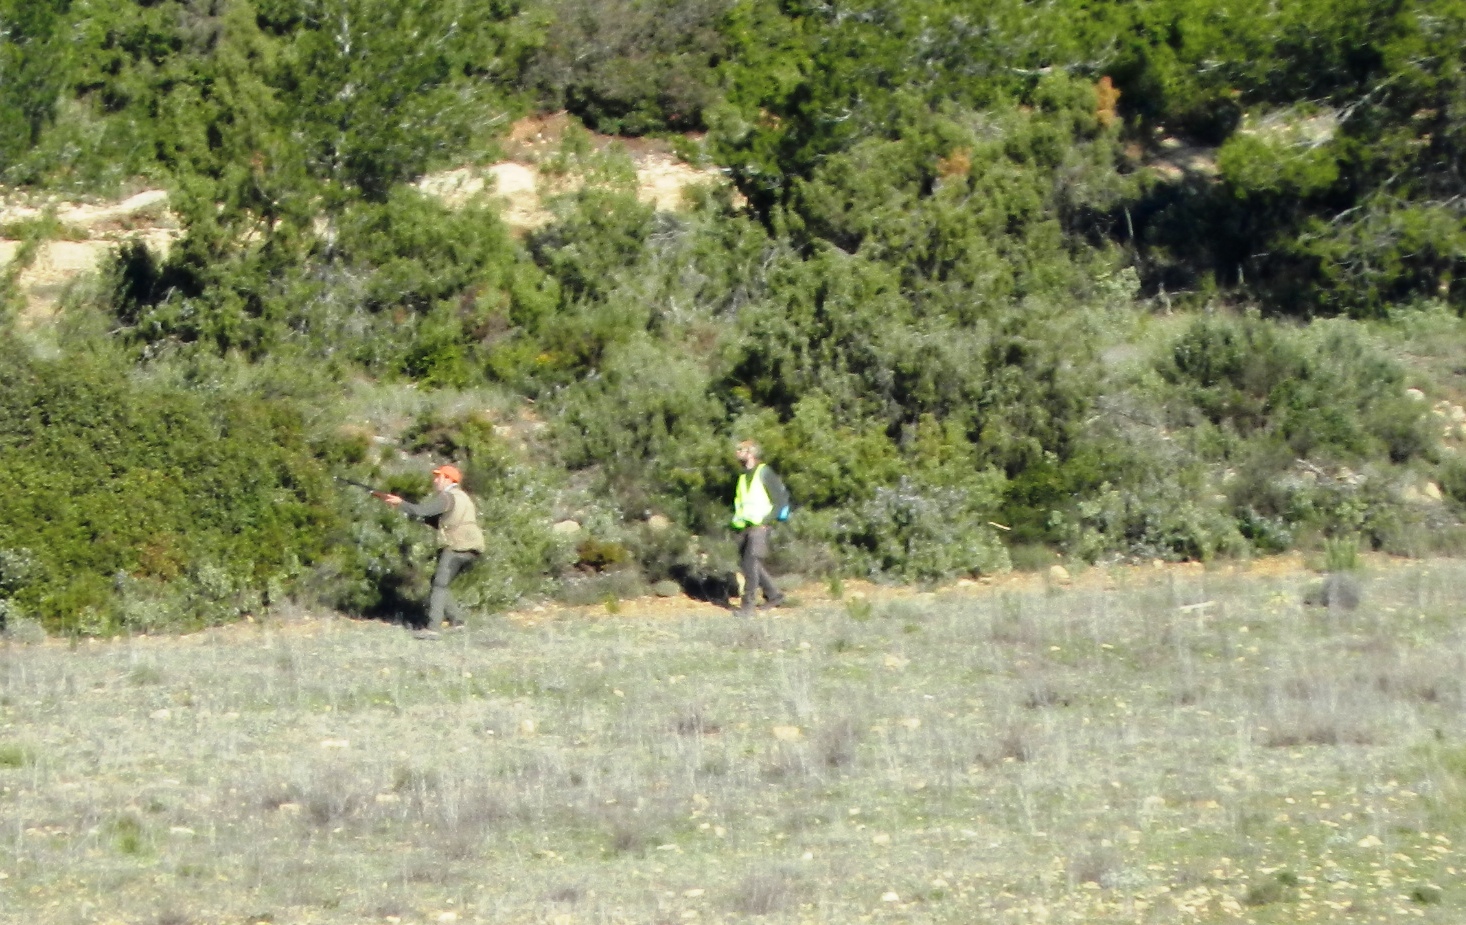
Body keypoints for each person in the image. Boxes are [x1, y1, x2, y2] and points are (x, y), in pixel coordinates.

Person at [380, 464, 485, 631]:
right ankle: (457, 621)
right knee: (440, 582)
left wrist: (400, 503)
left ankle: (433, 628)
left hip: (456, 546)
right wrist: (414, 513)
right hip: (473, 547)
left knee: (439, 585)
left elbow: (422, 511)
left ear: (448, 479)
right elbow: (441, 520)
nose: (435, 480)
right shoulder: (463, 497)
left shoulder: (447, 497)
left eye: (439, 477)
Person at [730, 440, 790, 615]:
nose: (737, 453)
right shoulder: (743, 476)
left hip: (760, 527)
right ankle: (774, 595)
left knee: (750, 564)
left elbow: (780, 500)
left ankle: (748, 607)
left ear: (751, 453)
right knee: (749, 564)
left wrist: (766, 520)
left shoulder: (764, 472)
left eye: (741, 450)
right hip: (744, 526)